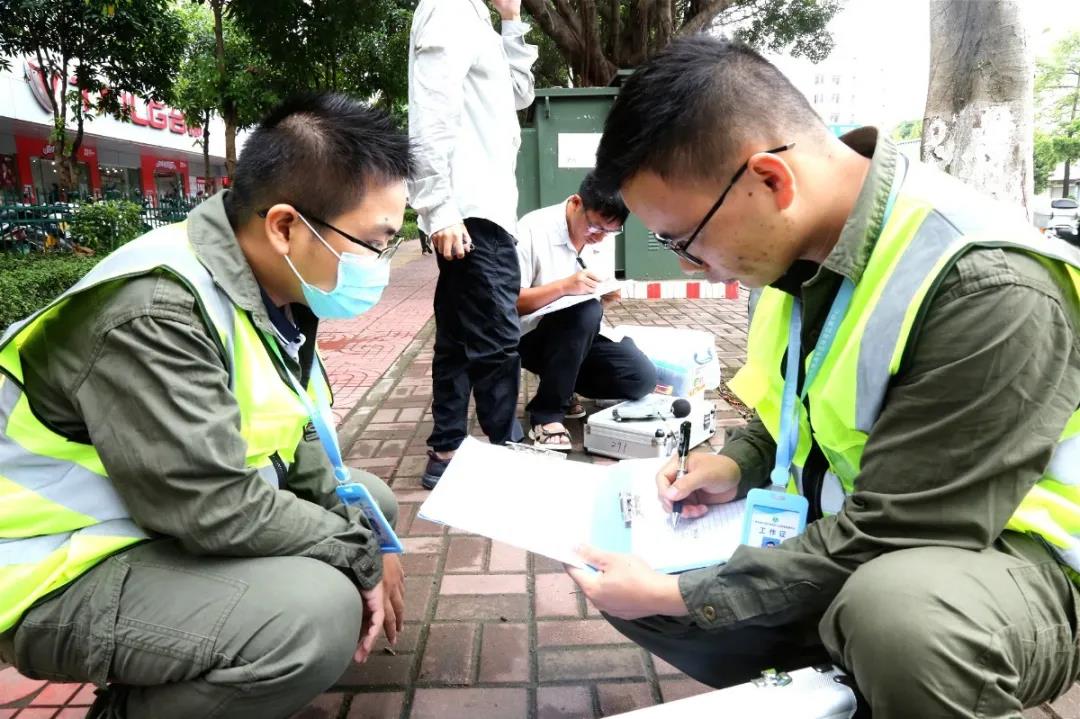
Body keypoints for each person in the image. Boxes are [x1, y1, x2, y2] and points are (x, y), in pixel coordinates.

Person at [566, 36, 1080, 718]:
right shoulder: (795, 253)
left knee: (899, 622)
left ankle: (896, 674)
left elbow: (899, 529)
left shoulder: (985, 284)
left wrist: (684, 593)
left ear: (771, 180)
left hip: (1015, 562)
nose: (689, 266)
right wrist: (735, 463)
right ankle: (844, 684)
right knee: (625, 566)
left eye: (683, 238)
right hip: (882, 535)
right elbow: (795, 414)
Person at [0, 93, 412, 719]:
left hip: (146, 518)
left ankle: (227, 671)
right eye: (376, 242)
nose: (382, 263)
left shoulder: (269, 285)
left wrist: (368, 535)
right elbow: (212, 506)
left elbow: (292, 432)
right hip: (47, 567)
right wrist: (358, 555)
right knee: (312, 616)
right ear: (284, 227)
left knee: (368, 501)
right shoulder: (155, 311)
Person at [408, 0, 538, 488]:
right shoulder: (448, 9)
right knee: (498, 338)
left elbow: (519, 95)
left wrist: (510, 18)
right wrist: (438, 209)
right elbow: (430, 111)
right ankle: (506, 448)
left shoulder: (478, 19)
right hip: (470, 213)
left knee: (459, 340)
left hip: (484, 211)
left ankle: (445, 449)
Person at [516, 172, 656, 449]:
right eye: (595, 228)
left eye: (610, 231)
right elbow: (513, 302)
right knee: (585, 311)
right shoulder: (532, 228)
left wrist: (606, 296)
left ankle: (562, 387)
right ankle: (547, 413)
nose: (601, 238)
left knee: (641, 378)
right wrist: (565, 286)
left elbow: (592, 299)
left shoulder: (602, 236)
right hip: (532, 338)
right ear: (577, 203)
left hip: (581, 336)